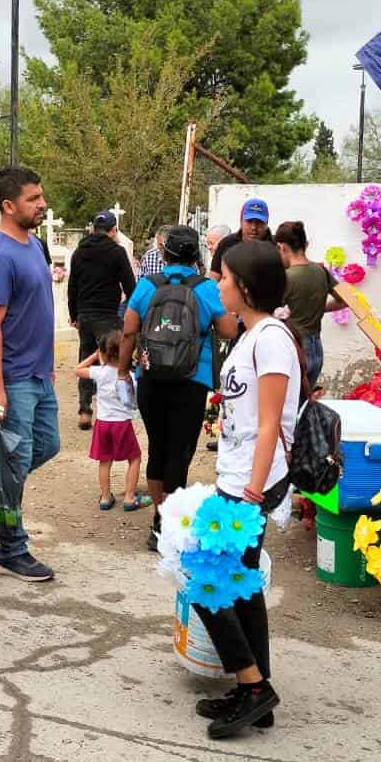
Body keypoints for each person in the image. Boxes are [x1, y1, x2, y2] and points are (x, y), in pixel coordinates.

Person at [193, 239, 306, 738]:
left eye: (223, 277)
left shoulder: (272, 339)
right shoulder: (250, 334)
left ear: (244, 285)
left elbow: (269, 422)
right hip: (239, 476)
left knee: (206, 580)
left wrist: (254, 490)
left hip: (251, 484)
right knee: (239, 589)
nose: (218, 284)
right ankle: (254, 689)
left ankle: (254, 686)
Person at [120, 225, 238, 551]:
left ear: (164, 253)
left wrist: (121, 372)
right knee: (180, 453)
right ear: (197, 256)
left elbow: (129, 331)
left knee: (157, 447)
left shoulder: (148, 285)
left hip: (151, 377)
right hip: (191, 381)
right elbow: (228, 330)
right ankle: (174, 526)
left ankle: (159, 522)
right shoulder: (205, 288)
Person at [0, 165, 59, 583]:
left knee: (47, 445)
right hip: (9, 378)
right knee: (14, 462)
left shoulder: (34, 246)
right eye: (32, 199)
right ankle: (13, 548)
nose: (42, 204)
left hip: (38, 375)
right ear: (8, 205)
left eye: (41, 196)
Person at [68, 209, 136, 431]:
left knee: (86, 358)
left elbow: (73, 286)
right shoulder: (116, 252)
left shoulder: (79, 252)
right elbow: (129, 285)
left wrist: (74, 314)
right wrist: (132, 313)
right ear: (113, 230)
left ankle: (85, 410)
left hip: (86, 315)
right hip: (108, 315)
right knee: (115, 360)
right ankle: (119, 404)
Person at [75, 330, 143, 511]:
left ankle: (105, 498)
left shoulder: (100, 372)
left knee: (105, 461)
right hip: (122, 424)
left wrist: (94, 356)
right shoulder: (130, 376)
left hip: (103, 423)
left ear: (103, 353)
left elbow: (78, 370)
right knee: (134, 458)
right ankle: (129, 498)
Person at [274, 220, 345, 389]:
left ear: (282, 247)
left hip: (295, 349)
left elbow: (270, 313)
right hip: (316, 348)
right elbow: (344, 301)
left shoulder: (286, 278)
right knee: (305, 403)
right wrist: (320, 308)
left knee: (291, 405)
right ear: (305, 244)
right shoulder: (321, 271)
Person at [209, 199, 271, 280]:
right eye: (249, 221)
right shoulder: (227, 244)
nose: (254, 227)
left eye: (259, 222)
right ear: (241, 221)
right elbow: (214, 278)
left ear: (266, 224)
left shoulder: (275, 248)